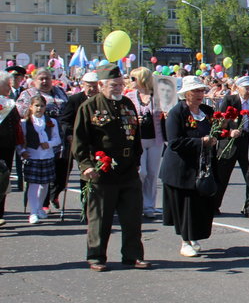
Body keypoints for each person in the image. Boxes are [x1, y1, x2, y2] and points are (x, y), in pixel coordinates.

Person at [71, 65, 149, 270]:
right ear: (100, 85)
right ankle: (96, 256)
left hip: (128, 169)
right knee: (100, 217)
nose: (118, 89)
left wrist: (137, 159)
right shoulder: (89, 107)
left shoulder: (127, 104)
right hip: (102, 170)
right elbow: (80, 141)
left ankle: (132, 255)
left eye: (121, 85)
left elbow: (135, 135)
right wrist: (86, 165)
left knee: (132, 215)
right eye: (114, 85)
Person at [160, 75, 219, 258]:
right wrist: (201, 142)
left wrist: (223, 133)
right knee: (184, 206)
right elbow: (174, 142)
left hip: (201, 166)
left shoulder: (207, 111)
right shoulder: (177, 112)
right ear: (186, 93)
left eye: (201, 90)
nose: (200, 94)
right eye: (195, 91)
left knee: (199, 204)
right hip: (181, 169)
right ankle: (185, 241)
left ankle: (194, 236)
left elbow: (216, 130)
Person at [16, 67, 69, 211]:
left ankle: (54, 195)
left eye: (48, 78)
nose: (45, 81)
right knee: (37, 179)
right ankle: (39, 206)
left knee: (61, 173)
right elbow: (21, 114)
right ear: (34, 81)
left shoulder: (60, 91)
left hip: (60, 140)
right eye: (41, 78)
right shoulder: (27, 94)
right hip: (37, 142)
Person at [215, 76, 249, 217]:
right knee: (222, 176)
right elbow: (220, 122)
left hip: (248, 142)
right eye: (246, 88)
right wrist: (230, 132)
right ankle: (214, 205)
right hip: (230, 142)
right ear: (238, 88)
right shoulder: (229, 101)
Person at [127, 67, 167, 218]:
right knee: (140, 172)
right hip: (138, 140)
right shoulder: (130, 97)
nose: (131, 82)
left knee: (152, 174)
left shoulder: (157, 96)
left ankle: (149, 206)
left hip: (155, 139)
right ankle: (137, 202)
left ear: (142, 80)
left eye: (133, 79)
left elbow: (166, 112)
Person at [20, 95, 61, 224]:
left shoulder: (51, 122)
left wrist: (49, 144)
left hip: (47, 156)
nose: (39, 108)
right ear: (31, 107)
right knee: (33, 184)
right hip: (33, 156)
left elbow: (57, 139)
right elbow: (20, 141)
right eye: (36, 106)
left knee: (44, 184)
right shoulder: (25, 123)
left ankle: (39, 208)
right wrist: (22, 152)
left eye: (42, 106)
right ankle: (33, 212)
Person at [0, 71, 22, 227]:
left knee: (3, 180)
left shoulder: (9, 103)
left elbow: (16, 123)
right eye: (6, 84)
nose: (10, 87)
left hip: (8, 146)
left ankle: (0, 213)